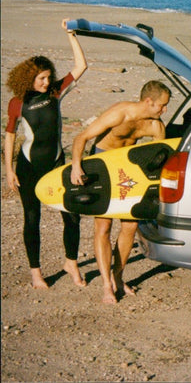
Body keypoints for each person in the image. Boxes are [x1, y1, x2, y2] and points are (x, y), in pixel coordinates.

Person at [70, 80, 171, 303]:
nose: (165, 110)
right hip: (103, 165)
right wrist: (77, 165)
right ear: (148, 101)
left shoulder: (156, 126)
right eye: (162, 105)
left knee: (130, 225)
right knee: (104, 225)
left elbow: (160, 160)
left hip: (126, 169)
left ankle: (118, 276)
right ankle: (107, 285)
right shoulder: (119, 114)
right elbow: (82, 137)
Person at [3, 19, 88, 289]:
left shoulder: (55, 93)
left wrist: (71, 36)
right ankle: (36, 273)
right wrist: (8, 170)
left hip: (56, 164)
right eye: (41, 78)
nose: (46, 81)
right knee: (32, 219)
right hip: (28, 167)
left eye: (48, 77)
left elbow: (80, 67)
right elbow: (10, 136)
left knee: (71, 214)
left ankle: (71, 263)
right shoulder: (17, 103)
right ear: (30, 78)